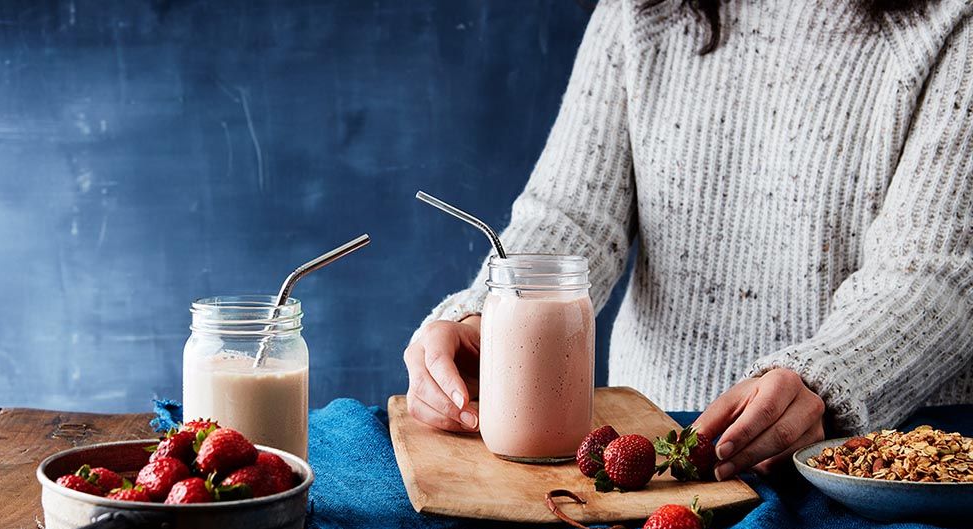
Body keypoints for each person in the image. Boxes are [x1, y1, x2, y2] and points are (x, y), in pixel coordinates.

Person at [404, 0, 973, 480]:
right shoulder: (641, 11)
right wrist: (483, 318)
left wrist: (826, 377)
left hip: (868, 478)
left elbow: (934, 272)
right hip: (652, 460)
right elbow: (572, 215)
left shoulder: (952, 23)